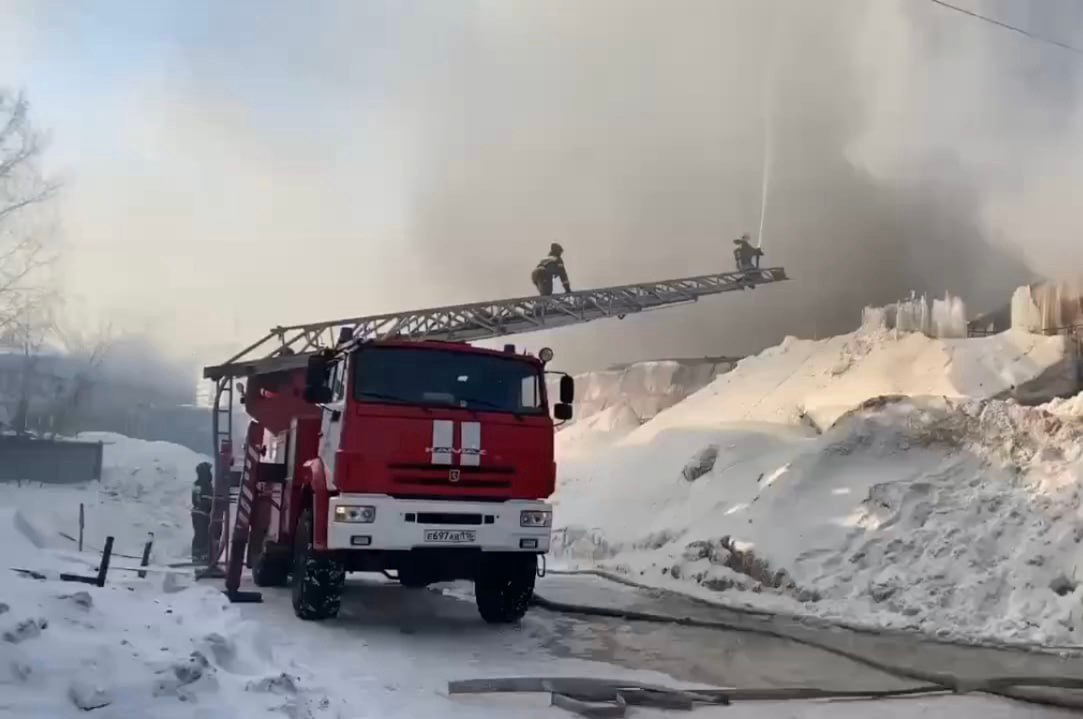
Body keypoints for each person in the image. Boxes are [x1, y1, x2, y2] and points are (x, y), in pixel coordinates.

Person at [191, 461, 213, 563]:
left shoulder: (196, 484)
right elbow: (208, 500)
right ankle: (202, 555)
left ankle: (196, 554)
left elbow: (194, 500)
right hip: (203, 514)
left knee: (198, 533)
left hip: (196, 513)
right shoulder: (207, 485)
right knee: (203, 534)